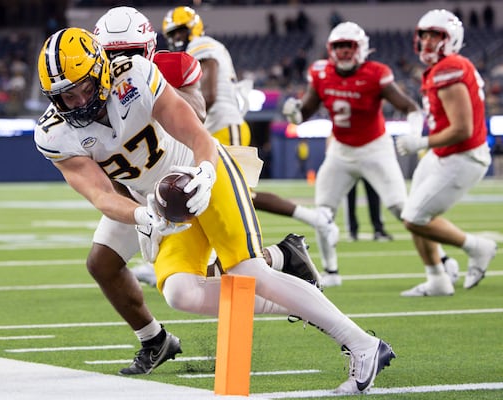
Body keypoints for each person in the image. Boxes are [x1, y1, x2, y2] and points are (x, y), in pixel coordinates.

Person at [35, 27, 395, 394]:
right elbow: (99, 195)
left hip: (200, 170)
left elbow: (195, 133)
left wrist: (206, 172)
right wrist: (140, 216)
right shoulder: (53, 133)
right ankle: (302, 298)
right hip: (161, 203)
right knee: (180, 293)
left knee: (248, 269)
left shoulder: (136, 76)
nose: (79, 101)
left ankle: (363, 344)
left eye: (84, 87)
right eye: (65, 96)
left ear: (102, 71)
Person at [93, 6, 322, 289]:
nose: (122, 61)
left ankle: (284, 251)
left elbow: (204, 103)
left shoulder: (196, 50)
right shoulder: (98, 88)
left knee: (232, 209)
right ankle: (277, 255)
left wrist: (157, 91)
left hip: (218, 129)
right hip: (193, 141)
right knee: (201, 224)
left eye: (182, 31)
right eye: (173, 33)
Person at [282, 21, 459, 287]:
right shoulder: (320, 72)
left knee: (404, 209)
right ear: (330, 49)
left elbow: (410, 107)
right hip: (341, 151)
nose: (342, 52)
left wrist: (413, 134)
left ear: (361, 48)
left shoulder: (376, 73)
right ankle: (331, 272)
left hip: (375, 149)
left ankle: (443, 259)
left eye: (348, 46)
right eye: (338, 46)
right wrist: (294, 113)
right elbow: (305, 111)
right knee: (322, 212)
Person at [161, 6, 339, 252]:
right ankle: (187, 259)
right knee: (203, 195)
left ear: (194, 28)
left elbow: (208, 96)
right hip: (214, 129)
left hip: (222, 125)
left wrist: (182, 124)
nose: (176, 39)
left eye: (180, 32)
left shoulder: (201, 45)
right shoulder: (195, 49)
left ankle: (313, 222)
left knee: (238, 196)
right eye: (173, 34)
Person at [395, 9, 497, 296]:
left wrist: (422, 142)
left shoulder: (449, 68)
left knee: (415, 218)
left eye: (435, 35)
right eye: (424, 35)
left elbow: (463, 128)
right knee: (413, 214)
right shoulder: (444, 67)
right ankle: (438, 280)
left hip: (463, 156)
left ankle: (477, 247)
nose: (427, 41)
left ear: (450, 38)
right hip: (444, 154)